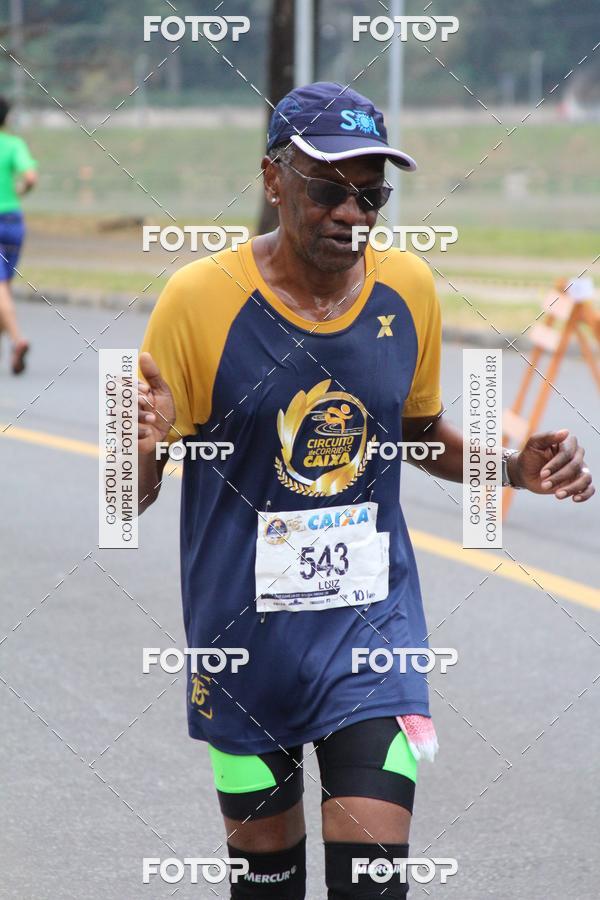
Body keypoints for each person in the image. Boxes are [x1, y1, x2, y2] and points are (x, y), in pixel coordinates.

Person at [137, 83, 594, 898]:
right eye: (328, 189)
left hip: (371, 634)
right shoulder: (196, 301)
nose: (354, 213)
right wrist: (136, 448)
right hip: (242, 644)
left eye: (372, 193)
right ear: (273, 179)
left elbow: (418, 433)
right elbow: (124, 494)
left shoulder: (407, 289)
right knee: (266, 884)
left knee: (373, 886)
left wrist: (515, 464)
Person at [0, 95, 37, 375]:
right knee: (4, 286)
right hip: (13, 221)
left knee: (0, 288)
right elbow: (30, 178)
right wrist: (21, 192)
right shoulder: (13, 144)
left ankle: (18, 340)